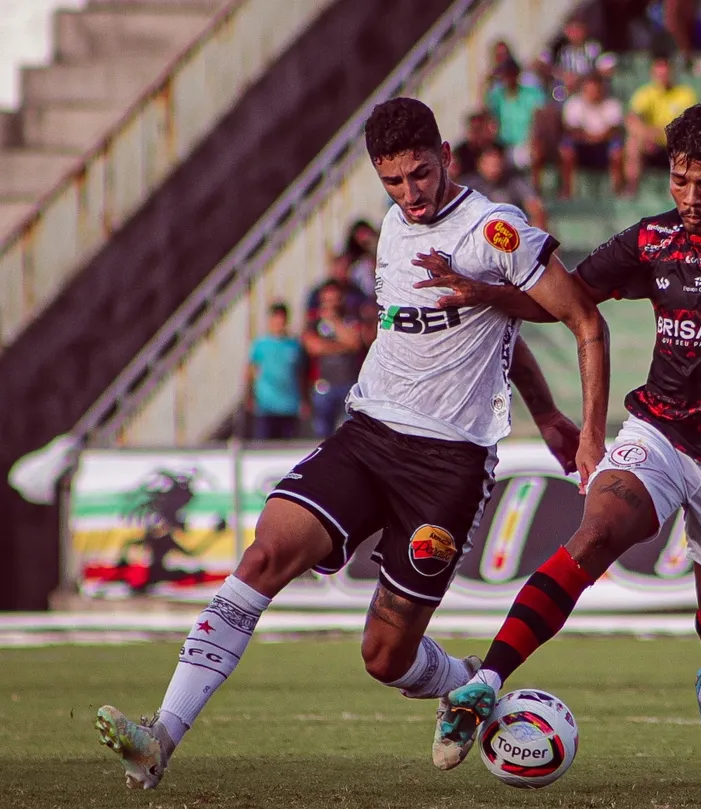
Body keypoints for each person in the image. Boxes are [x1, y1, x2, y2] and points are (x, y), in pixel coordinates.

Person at [94, 97, 610, 790]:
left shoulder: (495, 231)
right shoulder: (393, 230)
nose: (410, 193)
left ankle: (465, 686)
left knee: (384, 655)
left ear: (446, 157)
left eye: (422, 175)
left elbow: (580, 317)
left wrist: (571, 423)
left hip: (448, 464)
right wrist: (538, 401)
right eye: (393, 181)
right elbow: (467, 335)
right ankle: (161, 736)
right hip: (368, 435)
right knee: (266, 551)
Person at [426, 104, 701, 780]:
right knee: (600, 526)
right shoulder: (653, 240)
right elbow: (568, 299)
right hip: (661, 431)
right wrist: (484, 292)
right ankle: (485, 679)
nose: (692, 199)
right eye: (681, 181)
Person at [625, 55, 697, 195]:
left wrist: (662, 133)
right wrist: (647, 136)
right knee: (632, 143)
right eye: (659, 73)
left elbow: (688, 124)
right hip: (651, 143)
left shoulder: (685, 94)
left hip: (676, 145)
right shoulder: (645, 93)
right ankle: (631, 191)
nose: (663, 76)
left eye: (666, 73)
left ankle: (686, 193)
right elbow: (632, 119)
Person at [303, 281, 364, 439]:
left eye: (335, 299)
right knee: (322, 433)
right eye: (327, 299)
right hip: (323, 385)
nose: (331, 303)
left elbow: (355, 343)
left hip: (348, 384)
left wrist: (334, 322)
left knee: (350, 432)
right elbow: (313, 347)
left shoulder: (350, 319)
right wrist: (343, 346)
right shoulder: (314, 322)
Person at [244, 302, 305, 440]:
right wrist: (249, 395)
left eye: (281, 319)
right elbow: (250, 371)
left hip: (289, 406)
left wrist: (304, 399)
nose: (279, 322)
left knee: (288, 450)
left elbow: (300, 373)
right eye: (275, 318)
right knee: (265, 449)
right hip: (266, 406)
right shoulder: (261, 344)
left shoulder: (294, 345)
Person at [558, 72, 625, 198]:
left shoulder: (612, 104)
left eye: (597, 88)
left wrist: (597, 138)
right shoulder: (574, 103)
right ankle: (567, 191)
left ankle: (618, 192)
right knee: (566, 149)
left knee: (617, 150)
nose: (593, 92)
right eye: (590, 89)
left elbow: (614, 129)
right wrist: (590, 138)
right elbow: (572, 130)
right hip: (582, 146)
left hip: (604, 146)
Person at [463, 142, 549, 231]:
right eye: (490, 164)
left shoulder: (514, 181)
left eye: (496, 163)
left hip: (514, 232)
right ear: (480, 165)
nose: (494, 168)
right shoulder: (470, 185)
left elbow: (535, 206)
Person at [485, 58, 547, 169]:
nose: (508, 78)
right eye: (505, 75)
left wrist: (533, 139)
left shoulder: (531, 94)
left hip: (527, 143)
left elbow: (540, 118)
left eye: (511, 74)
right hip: (504, 145)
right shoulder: (496, 97)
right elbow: (489, 118)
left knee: (537, 150)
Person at [451, 110, 499, 180]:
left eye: (480, 130)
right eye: (473, 129)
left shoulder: (495, 149)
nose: (476, 134)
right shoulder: (459, 152)